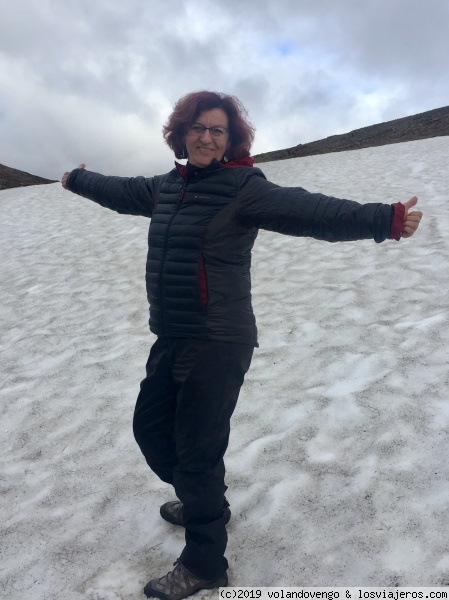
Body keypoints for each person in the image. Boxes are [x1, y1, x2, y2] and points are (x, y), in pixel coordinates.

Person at [61, 90, 422, 600]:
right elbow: (119, 190)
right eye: (199, 128)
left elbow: (309, 211)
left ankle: (205, 561)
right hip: (172, 332)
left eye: (218, 131)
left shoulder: (242, 188)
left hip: (219, 339)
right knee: (150, 429)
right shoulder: (167, 187)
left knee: (196, 451)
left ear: (231, 141)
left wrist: (382, 220)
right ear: (182, 133)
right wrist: (78, 180)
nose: (207, 137)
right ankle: (202, 496)